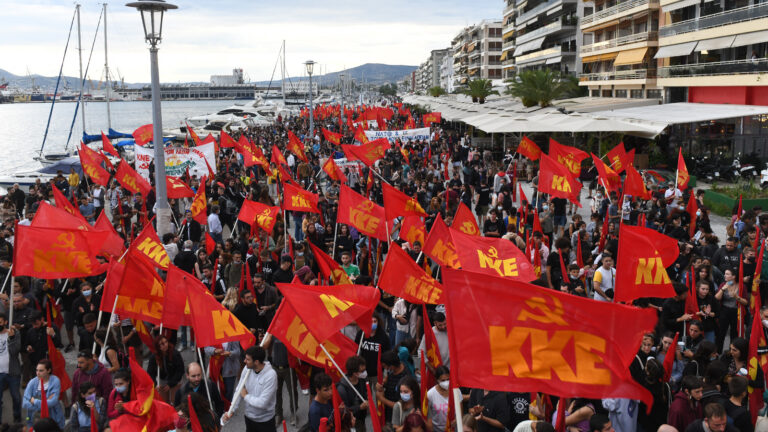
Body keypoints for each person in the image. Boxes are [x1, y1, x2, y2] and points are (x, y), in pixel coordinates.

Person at [224, 346, 277, 432]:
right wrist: (232, 409)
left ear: (256, 362)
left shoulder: (271, 375)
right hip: (249, 418)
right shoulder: (247, 369)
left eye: (248, 359)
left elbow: (262, 403)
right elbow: (239, 390)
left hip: (265, 421)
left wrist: (246, 396)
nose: (244, 361)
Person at [23, 359, 65, 428]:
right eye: (37, 370)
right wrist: (45, 402)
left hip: (53, 420)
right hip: (36, 420)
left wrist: (34, 401)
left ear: (48, 370)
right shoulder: (32, 382)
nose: (38, 373)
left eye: (41, 371)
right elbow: (25, 403)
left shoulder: (55, 381)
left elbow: (53, 402)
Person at [146, 335, 185, 404]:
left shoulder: (175, 354)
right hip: (162, 379)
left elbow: (180, 371)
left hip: (175, 379)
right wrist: (155, 385)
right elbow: (150, 373)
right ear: (158, 346)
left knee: (175, 400)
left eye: (166, 342)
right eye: (162, 344)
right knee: (164, 402)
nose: (165, 345)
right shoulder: (154, 358)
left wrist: (171, 384)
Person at [336, 356, 368, 432]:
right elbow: (344, 411)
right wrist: (359, 407)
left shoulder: (362, 381)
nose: (364, 373)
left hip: (361, 419)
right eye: (362, 371)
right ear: (355, 373)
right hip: (350, 423)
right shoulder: (342, 389)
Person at [0, 312, 21, 424]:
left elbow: (15, 351)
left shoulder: (14, 333)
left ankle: (17, 417)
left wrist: (11, 338)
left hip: (12, 372)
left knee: (16, 397)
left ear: (5, 322)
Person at [426, 365, 451, 432]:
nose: (446, 382)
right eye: (443, 380)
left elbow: (460, 413)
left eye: (448, 379)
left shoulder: (455, 391)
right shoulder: (430, 394)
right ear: (437, 380)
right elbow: (428, 416)